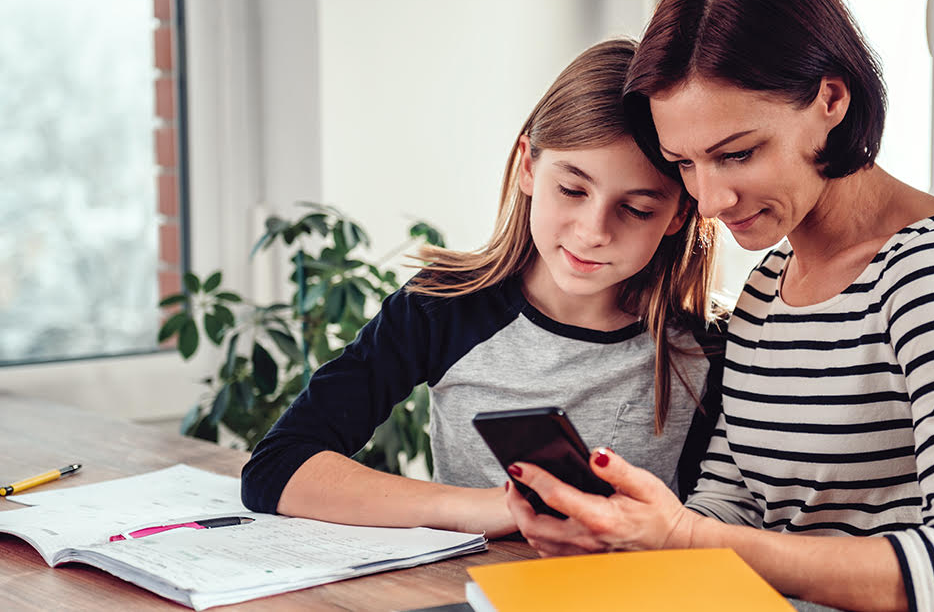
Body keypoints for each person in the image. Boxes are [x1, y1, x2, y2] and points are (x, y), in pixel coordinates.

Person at [505, 0, 934, 612]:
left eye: (737, 154)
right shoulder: (767, 292)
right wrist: (625, 539)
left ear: (832, 98)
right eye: (684, 164)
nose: (709, 199)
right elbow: (727, 509)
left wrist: (685, 536)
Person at [240, 39, 727, 539]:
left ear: (679, 214)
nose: (593, 230)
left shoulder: (713, 345)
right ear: (530, 167)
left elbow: (723, 524)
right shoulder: (440, 309)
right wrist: (493, 508)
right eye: (573, 189)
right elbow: (277, 468)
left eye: (638, 209)